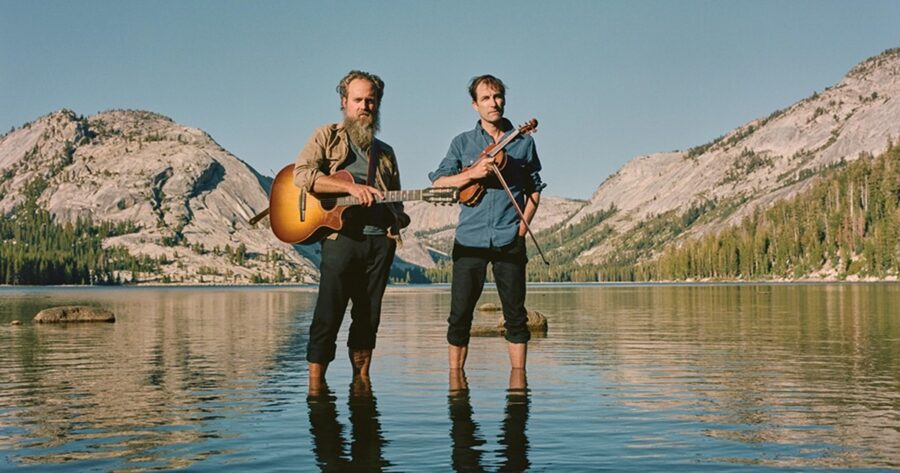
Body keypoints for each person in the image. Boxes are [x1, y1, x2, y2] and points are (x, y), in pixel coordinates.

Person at [293, 70, 409, 385]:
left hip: (378, 244)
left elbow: (397, 201)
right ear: (345, 103)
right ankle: (316, 388)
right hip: (340, 239)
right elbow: (302, 175)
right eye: (358, 100)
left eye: (371, 101)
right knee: (327, 316)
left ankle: (362, 386)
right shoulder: (326, 136)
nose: (365, 107)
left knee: (368, 319)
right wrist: (349, 189)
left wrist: (398, 219)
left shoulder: (385, 153)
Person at [429, 74, 545, 371]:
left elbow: (534, 190)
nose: (494, 103)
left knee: (516, 316)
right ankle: (456, 383)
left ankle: (519, 385)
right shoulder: (462, 143)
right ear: (474, 105)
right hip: (470, 239)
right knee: (459, 316)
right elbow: (439, 183)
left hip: (510, 237)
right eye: (486, 98)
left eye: (498, 97)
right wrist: (473, 174)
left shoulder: (524, 143)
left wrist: (522, 228)